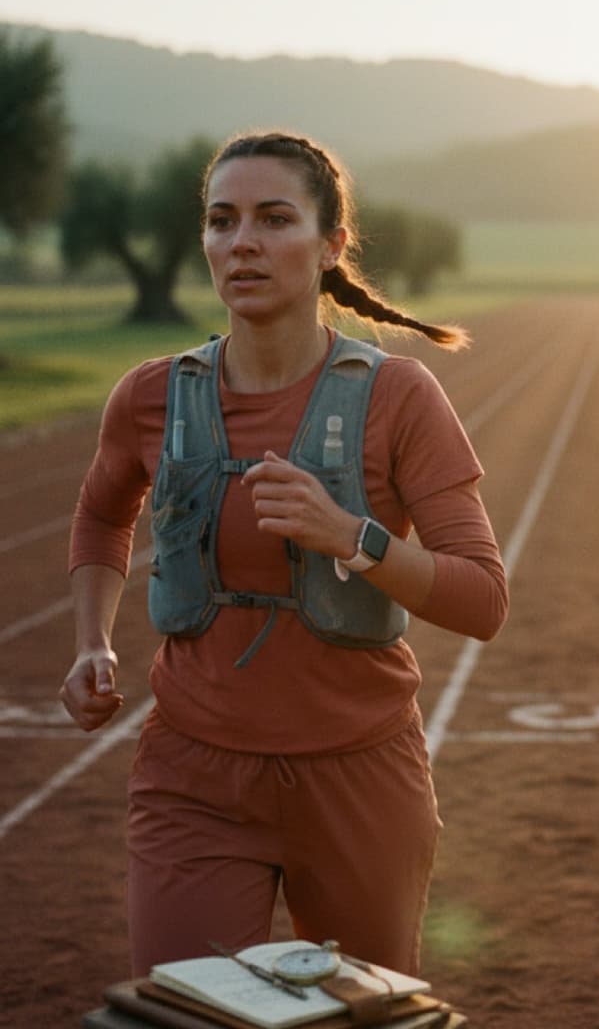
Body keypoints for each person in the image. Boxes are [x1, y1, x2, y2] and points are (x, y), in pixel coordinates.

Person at [59, 130, 508, 979]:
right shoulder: (153, 395)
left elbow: (483, 599)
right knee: (186, 1006)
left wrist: (354, 537)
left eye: (274, 218)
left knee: (363, 1013)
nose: (244, 243)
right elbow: (99, 514)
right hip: (193, 777)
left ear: (332, 243)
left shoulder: (400, 397)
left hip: (360, 779)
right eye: (222, 221)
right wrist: (92, 639)